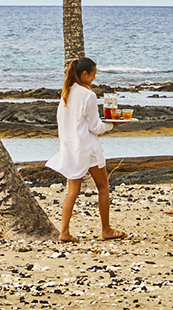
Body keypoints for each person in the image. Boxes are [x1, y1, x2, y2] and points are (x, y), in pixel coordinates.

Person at [47, 56, 123, 242]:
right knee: (103, 187)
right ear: (84, 74)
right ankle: (106, 230)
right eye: (93, 75)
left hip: (71, 148)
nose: (94, 79)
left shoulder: (66, 93)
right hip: (88, 149)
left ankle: (64, 232)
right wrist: (112, 125)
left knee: (72, 191)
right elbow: (95, 127)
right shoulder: (88, 95)